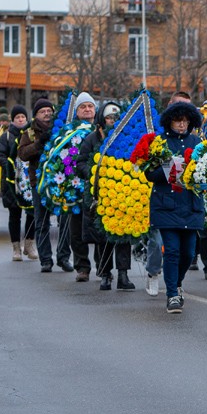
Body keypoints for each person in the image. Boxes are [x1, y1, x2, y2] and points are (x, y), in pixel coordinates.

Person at [144, 102, 205, 311]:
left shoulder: (197, 142)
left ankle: (177, 283)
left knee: (188, 253)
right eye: (178, 121)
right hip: (166, 204)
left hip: (190, 204)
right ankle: (172, 295)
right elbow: (149, 174)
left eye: (186, 121)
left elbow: (205, 173)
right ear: (170, 121)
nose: (182, 125)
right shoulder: (160, 143)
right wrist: (171, 167)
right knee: (171, 250)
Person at [76, 101, 133, 291]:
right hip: (99, 194)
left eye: (116, 118)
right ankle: (105, 274)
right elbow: (80, 163)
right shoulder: (92, 139)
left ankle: (123, 275)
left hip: (122, 192)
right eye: (109, 118)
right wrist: (94, 173)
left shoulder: (126, 138)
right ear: (102, 119)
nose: (112, 122)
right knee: (102, 237)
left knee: (123, 235)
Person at [18, 98, 66, 272]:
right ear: (36, 115)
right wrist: (39, 144)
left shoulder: (61, 129)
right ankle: (46, 259)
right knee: (41, 222)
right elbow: (22, 154)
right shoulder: (29, 133)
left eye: (49, 110)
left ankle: (63, 257)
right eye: (42, 111)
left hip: (60, 181)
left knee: (65, 220)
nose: (47, 114)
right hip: (39, 182)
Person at [61, 93, 101, 283]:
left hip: (99, 188)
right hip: (76, 187)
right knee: (76, 230)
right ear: (77, 111)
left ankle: (103, 266)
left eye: (90, 106)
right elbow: (62, 158)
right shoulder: (68, 133)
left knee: (100, 228)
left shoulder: (103, 131)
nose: (87, 109)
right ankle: (82, 267)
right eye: (82, 107)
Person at [0, 105, 36, 262]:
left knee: (32, 213)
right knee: (14, 215)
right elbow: (0, 155)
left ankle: (29, 244)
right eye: (18, 117)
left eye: (23, 117)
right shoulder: (6, 136)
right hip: (11, 182)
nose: (21, 119)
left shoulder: (31, 134)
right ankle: (16, 248)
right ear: (13, 119)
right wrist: (12, 166)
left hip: (28, 180)